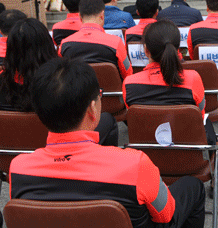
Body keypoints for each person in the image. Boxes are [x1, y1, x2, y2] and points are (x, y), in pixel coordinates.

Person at [10, 57, 205, 228]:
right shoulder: (135, 165)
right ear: (92, 109)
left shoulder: (18, 169)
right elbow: (166, 214)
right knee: (193, 186)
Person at [0, 18, 118, 146]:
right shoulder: (62, 80)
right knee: (107, 119)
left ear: (10, 49)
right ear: (48, 44)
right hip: (63, 147)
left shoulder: (3, 81)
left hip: (11, 151)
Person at [123, 20, 217, 146]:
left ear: (146, 50)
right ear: (177, 49)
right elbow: (199, 115)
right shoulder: (193, 78)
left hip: (148, 151)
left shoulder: (129, 84)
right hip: (189, 153)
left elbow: (136, 119)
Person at [59, 0, 133, 80]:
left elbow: (62, 74)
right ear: (102, 16)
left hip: (78, 91)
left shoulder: (64, 44)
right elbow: (127, 73)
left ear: (80, 17)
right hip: (112, 92)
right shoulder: (116, 42)